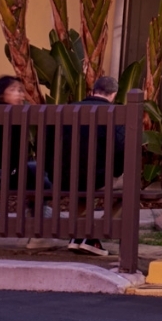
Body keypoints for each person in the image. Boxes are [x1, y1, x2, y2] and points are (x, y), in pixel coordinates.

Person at [68, 76, 118, 256]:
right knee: (132, 188)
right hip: (98, 178)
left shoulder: (67, 110)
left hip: (64, 178)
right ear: (113, 94)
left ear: (92, 91)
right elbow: (120, 150)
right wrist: (117, 172)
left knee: (82, 184)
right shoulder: (115, 113)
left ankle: (77, 236)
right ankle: (92, 237)